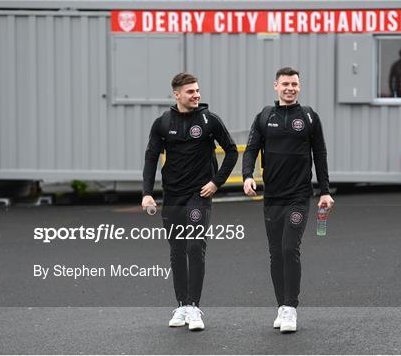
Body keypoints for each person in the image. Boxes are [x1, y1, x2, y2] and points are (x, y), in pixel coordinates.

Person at [142, 73, 238, 331]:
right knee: (176, 250)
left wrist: (216, 182)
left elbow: (231, 150)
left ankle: (194, 307)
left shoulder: (209, 120)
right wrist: (147, 192)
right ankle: (182, 305)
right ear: (176, 94)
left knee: (195, 247)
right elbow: (151, 157)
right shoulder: (162, 123)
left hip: (199, 196)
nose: (196, 95)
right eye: (190, 92)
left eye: (197, 90)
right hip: (172, 196)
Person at [242, 67, 334, 333]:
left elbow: (320, 154)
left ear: (299, 87)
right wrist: (248, 176)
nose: (290, 88)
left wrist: (325, 190)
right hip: (273, 197)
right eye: (285, 84)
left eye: (294, 84)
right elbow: (250, 150)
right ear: (276, 86)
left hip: (299, 196)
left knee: (289, 248)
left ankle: (291, 308)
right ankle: (281, 306)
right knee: (275, 253)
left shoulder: (308, 117)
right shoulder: (264, 117)